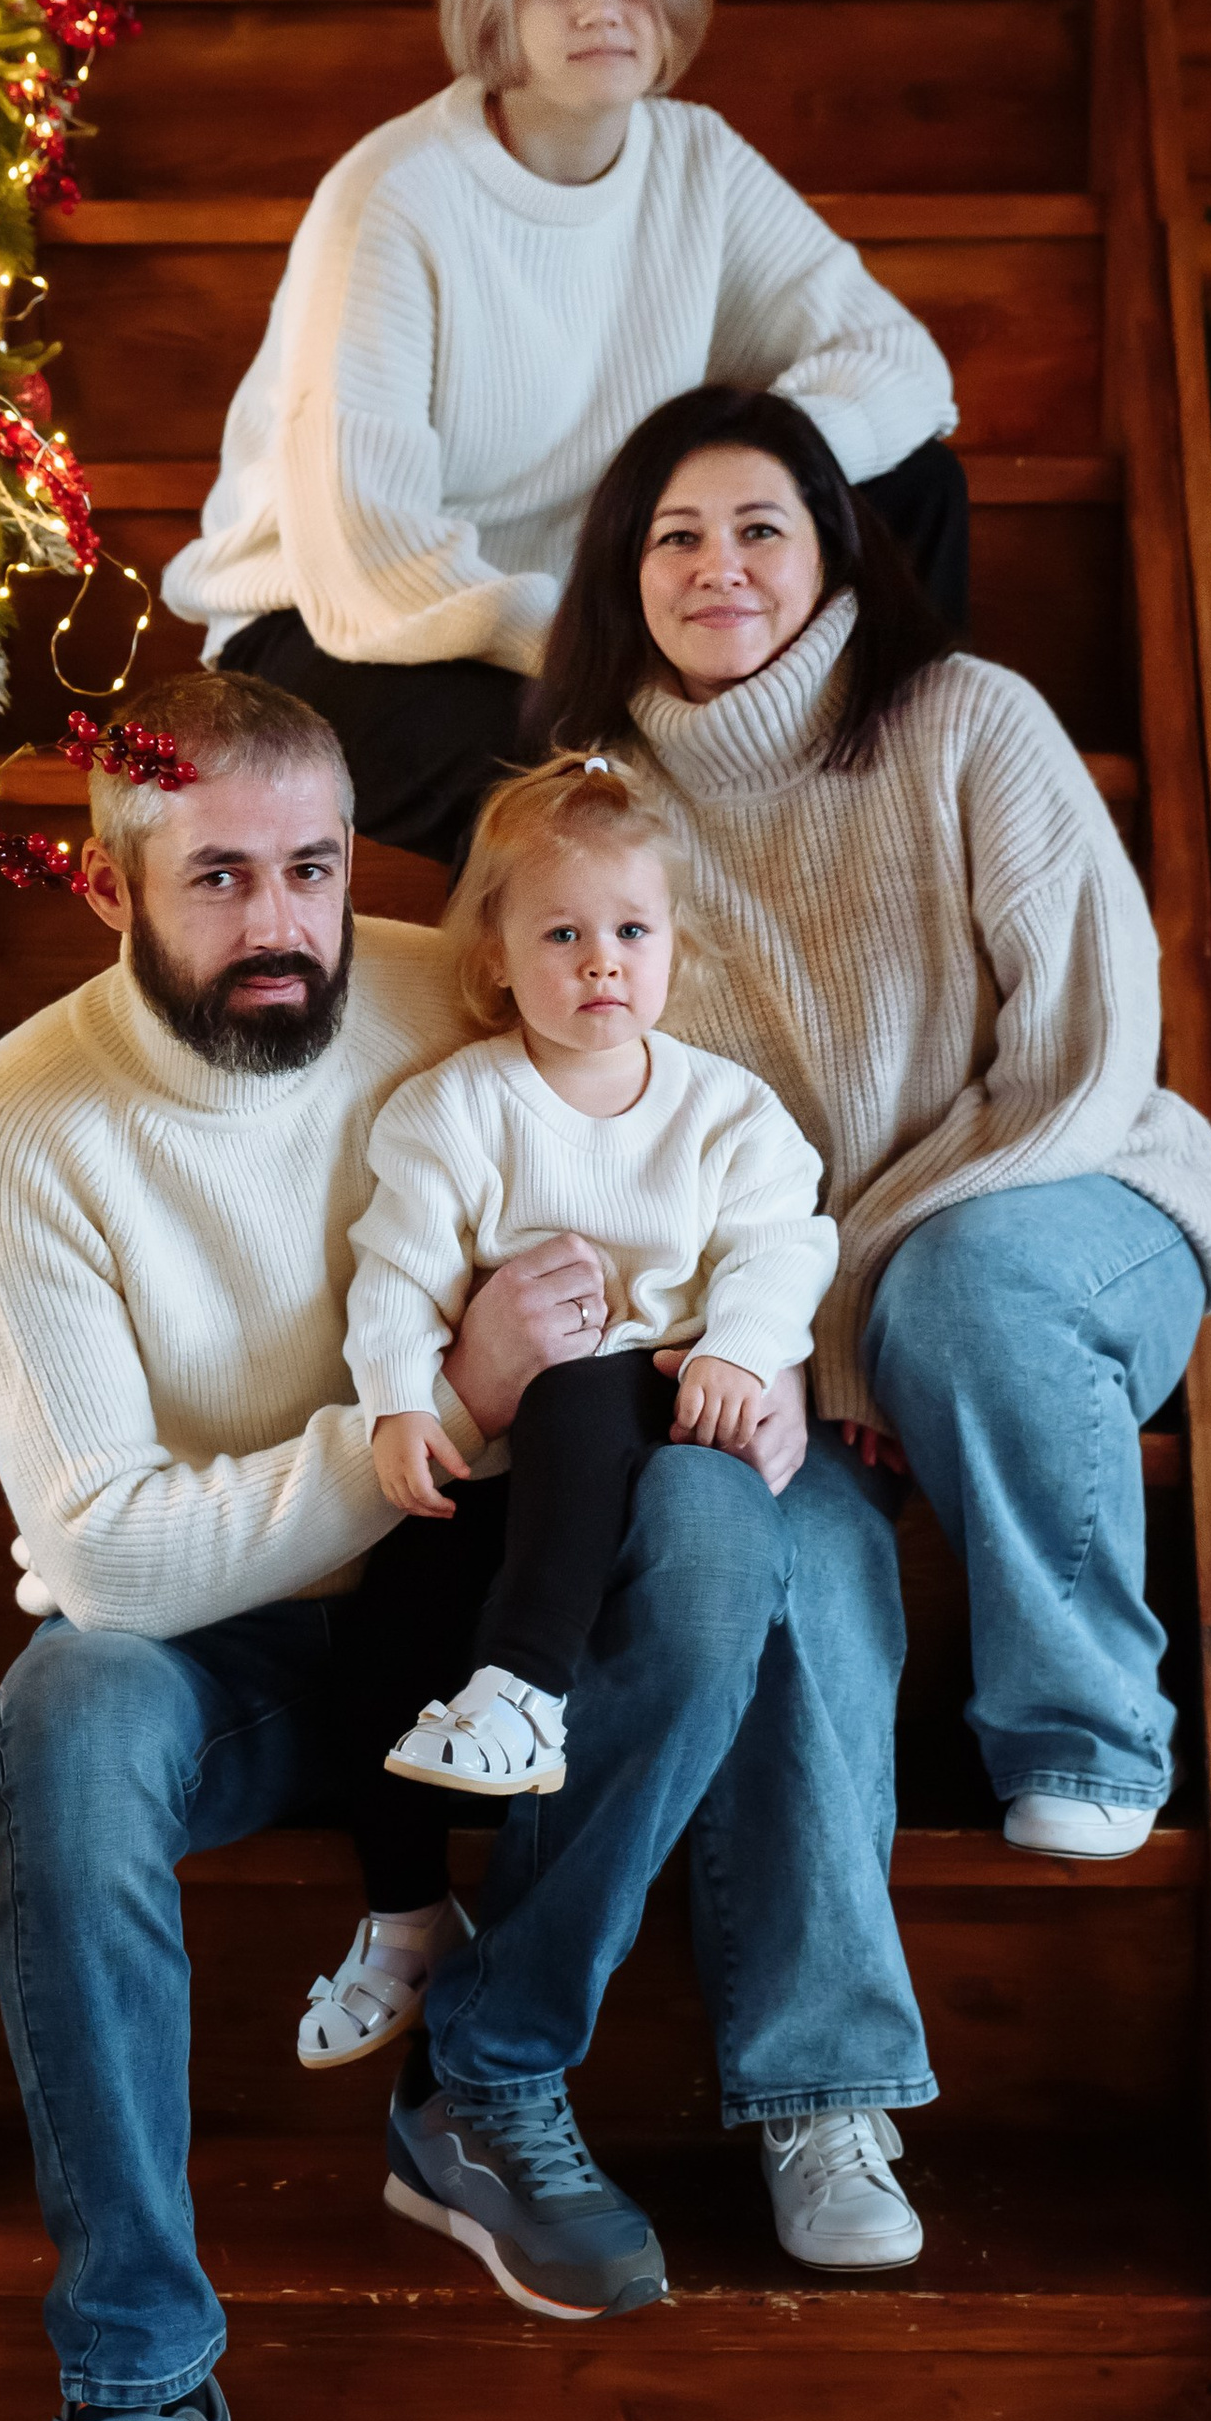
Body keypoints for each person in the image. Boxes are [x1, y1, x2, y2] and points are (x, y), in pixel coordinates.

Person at [0, 666, 933, 2421]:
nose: (281, 920)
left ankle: (484, 2070)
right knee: (66, 1709)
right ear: (113, 882)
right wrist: (452, 1410)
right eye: (218, 877)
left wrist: (736, 1369)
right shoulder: (20, 1126)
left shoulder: (460, 982)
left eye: (310, 865)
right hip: (226, 1658)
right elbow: (108, 1554)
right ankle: (140, 2386)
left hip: (481, 1623)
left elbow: (700, 1167)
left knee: (733, 1534)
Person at [527, 386, 1211, 1865]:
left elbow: (1081, 1057)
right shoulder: (604, 810)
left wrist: (839, 1303)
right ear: (626, 574)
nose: (717, 561)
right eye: (675, 535)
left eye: (758, 527)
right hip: (804, 1301)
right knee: (762, 1520)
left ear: (837, 553)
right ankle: (825, 2068)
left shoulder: (968, 718)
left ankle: (1091, 1730)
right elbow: (622, 1119)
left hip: (1077, 1201)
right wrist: (771, 1330)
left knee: (965, 1285)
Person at [160, 0, 965, 865]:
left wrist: (754, 491)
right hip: (349, 630)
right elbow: (377, 560)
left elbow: (898, 361)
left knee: (915, 486)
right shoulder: (396, 197)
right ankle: (654, 987)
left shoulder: (697, 162)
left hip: (610, 600)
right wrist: (621, 643)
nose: (599, 9)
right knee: (571, 778)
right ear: (497, 4)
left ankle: (894, 803)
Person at [346, 753, 833, 1824]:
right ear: (499, 958)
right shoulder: (453, 1111)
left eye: (630, 932)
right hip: (523, 1437)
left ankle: (526, 1687)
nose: (600, 962)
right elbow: (398, 1272)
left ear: (673, 946)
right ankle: (402, 1912)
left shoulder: (727, 1111)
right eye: (562, 934)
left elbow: (784, 1243)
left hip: (676, 1391)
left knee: (574, 1394)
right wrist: (397, 1398)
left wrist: (742, 1349)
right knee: (394, 1600)